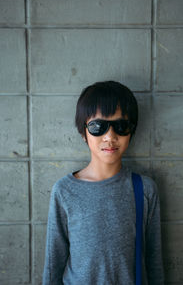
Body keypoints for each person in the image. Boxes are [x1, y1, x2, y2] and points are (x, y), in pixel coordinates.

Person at [42, 81, 164, 285]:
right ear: (84, 133)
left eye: (121, 126)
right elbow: (54, 263)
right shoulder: (64, 191)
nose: (110, 136)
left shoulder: (145, 189)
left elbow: (154, 262)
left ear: (131, 131)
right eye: (98, 127)